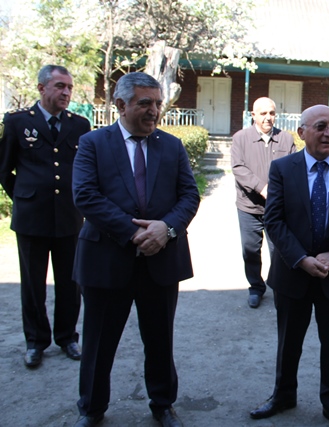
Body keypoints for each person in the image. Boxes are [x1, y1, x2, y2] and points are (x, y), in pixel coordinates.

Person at [71, 72, 200, 427]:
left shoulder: (171, 146)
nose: (154, 111)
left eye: (157, 103)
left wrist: (166, 229)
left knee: (160, 340)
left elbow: (189, 195)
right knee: (98, 342)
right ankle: (92, 408)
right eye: (145, 103)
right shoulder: (92, 143)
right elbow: (85, 196)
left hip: (161, 261)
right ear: (120, 105)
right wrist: (134, 233)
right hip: (106, 260)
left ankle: (163, 404)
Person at [250, 105, 329, 427]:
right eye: (321, 127)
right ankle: (283, 396)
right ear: (302, 132)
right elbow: (273, 220)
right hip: (293, 273)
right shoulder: (282, 168)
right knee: (288, 343)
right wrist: (301, 259)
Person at [0, 65, 91, 368]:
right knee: (32, 284)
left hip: (68, 216)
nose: (66, 92)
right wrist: (25, 196)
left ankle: (67, 337)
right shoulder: (17, 122)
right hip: (31, 219)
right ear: (42, 88)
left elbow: (84, 170)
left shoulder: (80, 125)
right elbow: (4, 170)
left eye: (70, 87)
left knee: (70, 282)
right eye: (60, 86)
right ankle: (35, 342)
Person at [231, 97, 296, 308]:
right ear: (253, 115)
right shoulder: (241, 138)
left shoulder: (285, 139)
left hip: (277, 208)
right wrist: (262, 188)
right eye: (263, 113)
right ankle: (256, 287)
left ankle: (279, 286)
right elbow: (238, 168)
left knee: (279, 251)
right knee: (250, 250)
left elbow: (295, 168)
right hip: (249, 206)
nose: (268, 117)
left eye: (272, 113)